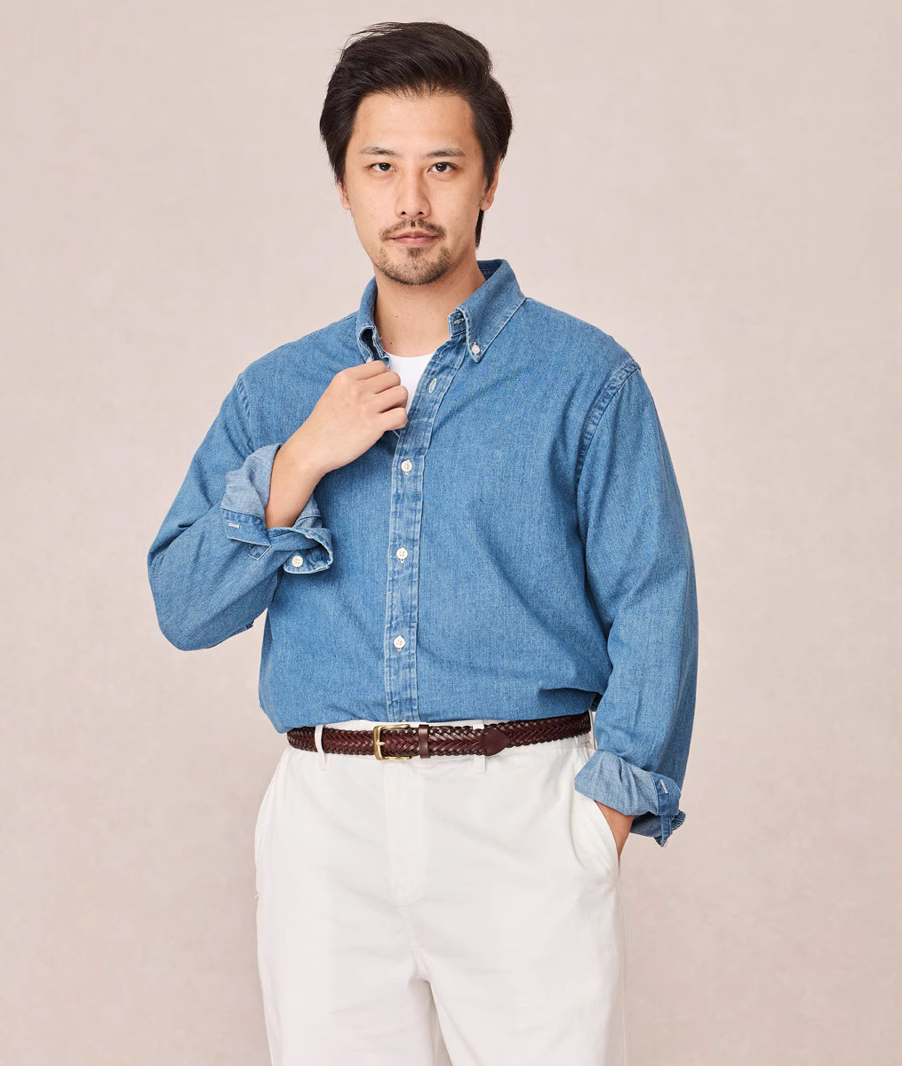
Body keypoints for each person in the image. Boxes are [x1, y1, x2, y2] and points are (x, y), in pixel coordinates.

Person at [147, 19, 698, 1066]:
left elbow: (653, 595)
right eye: (381, 167)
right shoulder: (279, 390)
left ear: (487, 180)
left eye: (441, 166)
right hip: (326, 825)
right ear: (343, 185)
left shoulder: (586, 378)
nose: (411, 200)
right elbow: (184, 605)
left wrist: (604, 819)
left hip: (521, 810)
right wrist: (299, 460)